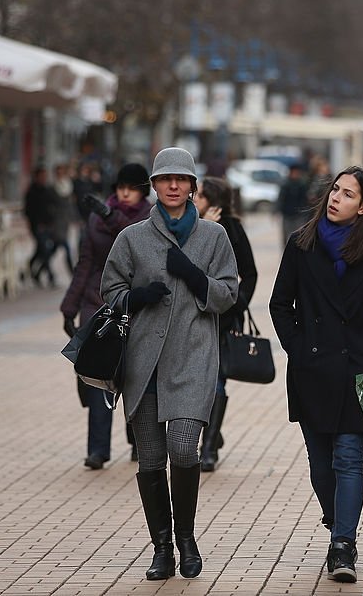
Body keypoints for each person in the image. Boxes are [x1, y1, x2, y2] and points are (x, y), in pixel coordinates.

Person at [101, 147, 238, 581]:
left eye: (182, 179)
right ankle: (161, 546)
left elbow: (229, 293)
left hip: (193, 359)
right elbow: (109, 290)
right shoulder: (132, 237)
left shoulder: (214, 238)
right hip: (144, 363)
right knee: (151, 458)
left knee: (183, 447)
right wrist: (136, 296)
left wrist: (194, 276)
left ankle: (186, 538)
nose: (174, 186)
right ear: (154, 187)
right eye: (165, 180)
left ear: (193, 186)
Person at [269, 166, 363, 583]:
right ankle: (336, 517)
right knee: (321, 466)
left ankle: (343, 544)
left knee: (347, 460)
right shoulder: (301, 244)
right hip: (311, 370)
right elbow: (279, 304)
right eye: (335, 189)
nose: (335, 197)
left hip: (354, 372)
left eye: (347, 193)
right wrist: (299, 350)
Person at [61, 163, 153, 470]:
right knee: (98, 377)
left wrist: (108, 215)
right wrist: (69, 306)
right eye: (120, 187)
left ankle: (138, 441)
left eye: (132, 187)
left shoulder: (150, 218)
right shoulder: (97, 218)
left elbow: (130, 236)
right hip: (96, 304)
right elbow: (84, 264)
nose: (125, 193)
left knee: (134, 375)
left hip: (135, 305)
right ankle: (97, 450)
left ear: (143, 190)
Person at [193, 176, 258, 472]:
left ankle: (208, 450)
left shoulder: (232, 229)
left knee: (216, 379)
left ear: (214, 202)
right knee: (196, 380)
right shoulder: (188, 227)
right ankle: (213, 432)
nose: (194, 199)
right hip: (191, 317)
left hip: (222, 320)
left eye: (201, 196)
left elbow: (250, 273)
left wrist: (237, 302)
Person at [23, 166, 57, 286]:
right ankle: (51, 277)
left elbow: (52, 207)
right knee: (45, 251)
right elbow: (28, 211)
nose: (44, 178)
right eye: (42, 176)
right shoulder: (31, 191)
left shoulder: (47, 190)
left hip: (48, 226)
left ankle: (27, 270)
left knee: (40, 251)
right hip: (38, 227)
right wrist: (35, 225)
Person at [277, 163, 311, 247]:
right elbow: (281, 198)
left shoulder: (302, 184)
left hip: (299, 215)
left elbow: (306, 199)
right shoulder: (285, 184)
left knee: (298, 235)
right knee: (287, 235)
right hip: (287, 214)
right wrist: (277, 210)